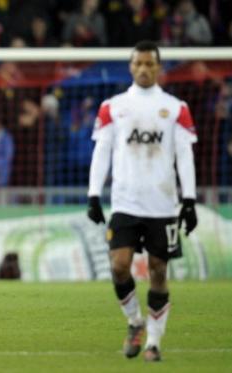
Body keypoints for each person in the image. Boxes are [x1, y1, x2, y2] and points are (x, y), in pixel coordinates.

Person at [87, 40, 198, 362]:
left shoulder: (176, 108)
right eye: (138, 64)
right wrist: (94, 194)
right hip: (125, 203)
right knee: (119, 266)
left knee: (158, 271)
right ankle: (135, 322)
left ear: (159, 67)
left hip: (162, 205)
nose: (144, 69)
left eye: (150, 64)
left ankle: (154, 342)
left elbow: (184, 155)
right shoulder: (113, 105)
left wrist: (189, 200)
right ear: (131, 67)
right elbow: (102, 151)